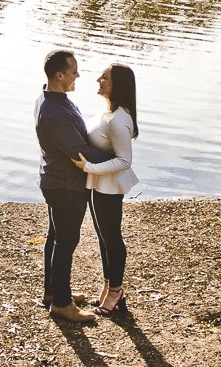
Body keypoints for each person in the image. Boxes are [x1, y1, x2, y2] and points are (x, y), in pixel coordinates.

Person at [34, 49, 113, 324]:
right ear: (59, 75)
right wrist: (118, 159)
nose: (78, 75)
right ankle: (62, 304)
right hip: (64, 185)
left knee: (55, 238)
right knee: (66, 241)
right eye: (73, 71)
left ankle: (52, 292)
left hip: (56, 180)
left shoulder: (55, 99)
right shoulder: (55, 112)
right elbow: (79, 152)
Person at [71, 63, 139, 316]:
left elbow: (125, 160)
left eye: (105, 77)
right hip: (99, 182)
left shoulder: (119, 119)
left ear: (117, 85)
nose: (98, 79)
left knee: (112, 237)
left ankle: (116, 291)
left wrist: (89, 167)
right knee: (103, 237)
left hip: (109, 185)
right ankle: (108, 285)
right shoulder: (108, 112)